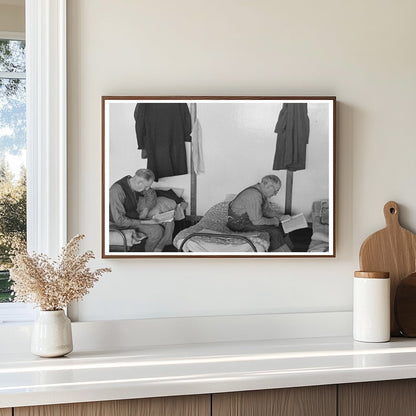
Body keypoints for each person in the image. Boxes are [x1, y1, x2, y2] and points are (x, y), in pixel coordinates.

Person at [227, 175, 293, 252]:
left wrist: (281, 217)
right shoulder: (254, 195)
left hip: (249, 219)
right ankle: (282, 258)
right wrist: (274, 221)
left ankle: (290, 252)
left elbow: (266, 211)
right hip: (238, 224)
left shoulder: (260, 191)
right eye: (275, 191)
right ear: (267, 186)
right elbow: (257, 221)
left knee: (281, 226)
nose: (275, 194)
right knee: (274, 232)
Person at [109, 169, 165, 252]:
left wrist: (146, 209)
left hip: (133, 218)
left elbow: (151, 193)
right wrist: (146, 222)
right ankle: (144, 257)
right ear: (139, 183)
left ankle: (150, 252)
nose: (147, 188)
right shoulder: (116, 191)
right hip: (118, 224)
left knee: (164, 223)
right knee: (157, 231)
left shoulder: (133, 182)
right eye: (146, 186)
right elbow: (119, 221)